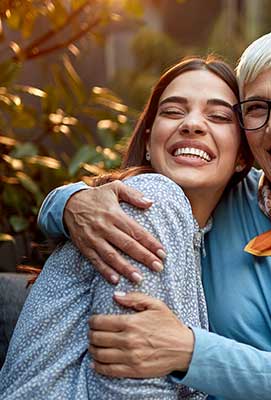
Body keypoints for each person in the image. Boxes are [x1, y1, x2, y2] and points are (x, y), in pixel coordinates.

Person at [37, 25, 271, 400]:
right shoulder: (223, 193)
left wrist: (186, 349)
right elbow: (144, 189)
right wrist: (68, 203)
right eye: (256, 109)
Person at [0, 56, 253, 399]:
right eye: (173, 111)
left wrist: (63, 201)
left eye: (219, 116)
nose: (192, 124)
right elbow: (131, 388)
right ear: (148, 141)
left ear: (242, 155)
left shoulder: (207, 235)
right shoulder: (152, 200)